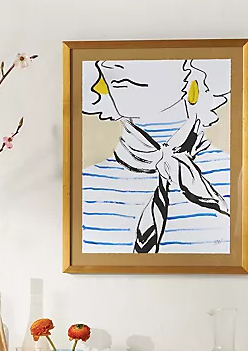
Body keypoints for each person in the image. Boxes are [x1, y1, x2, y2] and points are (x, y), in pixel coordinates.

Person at [81, 57, 232, 254]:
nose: (110, 64)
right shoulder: (84, 186)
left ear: (192, 68)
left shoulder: (232, 177)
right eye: (104, 59)